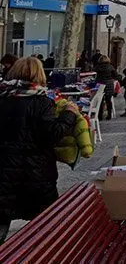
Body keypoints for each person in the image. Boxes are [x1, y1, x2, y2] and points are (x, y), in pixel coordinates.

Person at [0, 57, 79, 242]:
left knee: (2, 216)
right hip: (35, 174)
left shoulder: (3, 98)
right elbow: (53, 133)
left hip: (4, 173)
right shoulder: (41, 102)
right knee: (43, 226)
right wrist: (69, 113)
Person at [94, 55, 118, 120]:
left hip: (100, 84)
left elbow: (94, 72)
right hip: (109, 84)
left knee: (100, 101)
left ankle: (99, 116)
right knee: (108, 100)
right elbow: (115, 75)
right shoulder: (110, 67)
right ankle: (109, 114)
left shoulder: (98, 67)